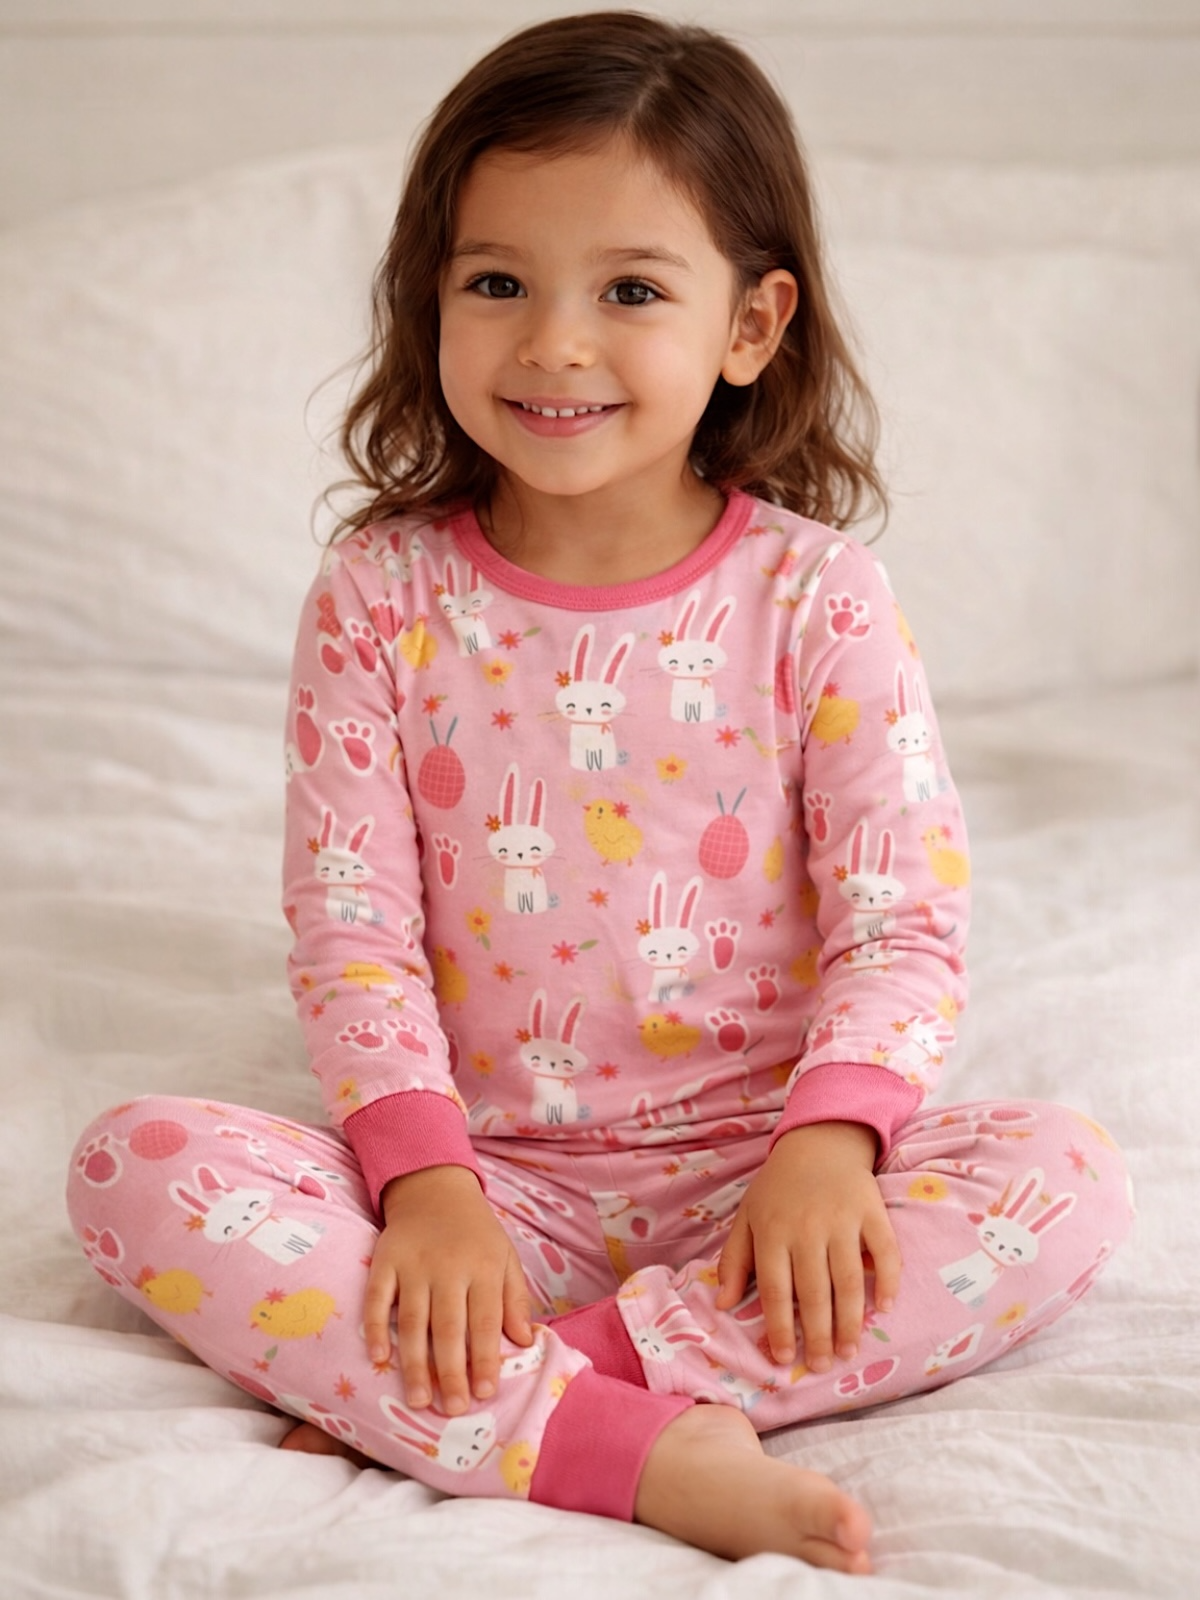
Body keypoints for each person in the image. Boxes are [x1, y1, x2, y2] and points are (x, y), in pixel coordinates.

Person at [66, 11, 1132, 1574]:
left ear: (751, 325)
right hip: (482, 1184)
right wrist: (426, 1193)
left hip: (763, 1181)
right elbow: (352, 927)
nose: (554, 343)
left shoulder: (817, 597)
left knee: (1067, 1182)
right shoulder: (381, 597)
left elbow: (902, 922)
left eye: (631, 290)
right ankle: (617, 1450)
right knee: (131, 1169)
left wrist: (829, 1151)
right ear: (428, 297)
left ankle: (559, 1385)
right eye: (496, 282)